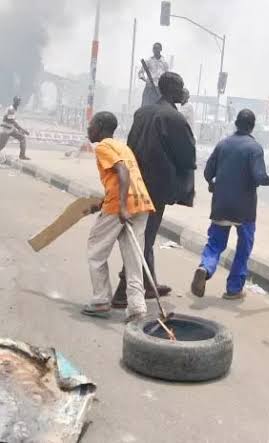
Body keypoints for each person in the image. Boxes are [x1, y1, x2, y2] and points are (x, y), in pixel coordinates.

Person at [190, 109, 269, 299]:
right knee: (243, 248)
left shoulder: (222, 145)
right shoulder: (254, 148)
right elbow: (260, 178)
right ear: (252, 126)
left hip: (221, 205)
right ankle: (234, 289)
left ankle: (205, 268)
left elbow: (208, 172)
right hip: (244, 210)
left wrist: (212, 184)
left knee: (214, 244)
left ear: (236, 123)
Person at [111, 72, 196, 308]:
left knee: (145, 232)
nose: (183, 92)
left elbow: (130, 146)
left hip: (136, 182)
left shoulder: (143, 112)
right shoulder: (174, 118)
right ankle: (121, 292)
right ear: (172, 90)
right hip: (157, 187)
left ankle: (149, 285)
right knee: (146, 237)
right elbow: (188, 156)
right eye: (181, 88)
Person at [80, 112, 153, 323]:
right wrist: (102, 203)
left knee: (96, 251)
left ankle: (101, 300)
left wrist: (120, 206)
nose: (88, 128)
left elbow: (122, 171)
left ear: (101, 126)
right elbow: (119, 177)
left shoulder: (103, 146)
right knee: (133, 258)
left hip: (122, 206)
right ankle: (137, 308)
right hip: (141, 203)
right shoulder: (123, 146)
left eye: (91, 125)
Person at [138, 42, 169, 106]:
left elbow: (167, 76)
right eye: (154, 48)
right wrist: (146, 81)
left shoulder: (164, 62)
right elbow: (140, 73)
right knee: (145, 106)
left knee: (159, 107)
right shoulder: (149, 60)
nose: (155, 50)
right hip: (149, 88)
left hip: (159, 89)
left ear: (160, 49)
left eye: (157, 48)